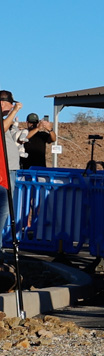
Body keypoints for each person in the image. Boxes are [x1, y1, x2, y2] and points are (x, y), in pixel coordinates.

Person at [0, 91, 22, 245]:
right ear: (2, 103)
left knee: (4, 211)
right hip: (3, 171)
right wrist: (14, 111)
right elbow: (1, 130)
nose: (12, 106)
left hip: (10, 169)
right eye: (11, 103)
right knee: (3, 211)